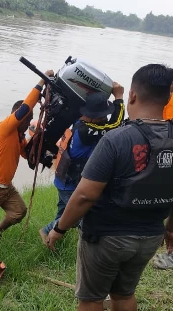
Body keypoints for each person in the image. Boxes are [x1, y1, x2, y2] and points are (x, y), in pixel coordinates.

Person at [45, 64, 173, 311]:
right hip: (149, 236)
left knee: (91, 297)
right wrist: (172, 229)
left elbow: (84, 196)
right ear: (168, 98)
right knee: (125, 293)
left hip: (105, 235)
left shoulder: (116, 139)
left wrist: (59, 229)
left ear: (132, 95)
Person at [39, 85, 125, 244]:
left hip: (64, 179)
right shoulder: (87, 131)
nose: (105, 119)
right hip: (70, 184)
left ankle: (50, 241)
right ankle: (46, 232)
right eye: (102, 116)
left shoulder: (79, 122)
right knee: (77, 216)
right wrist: (119, 98)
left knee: (63, 215)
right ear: (92, 117)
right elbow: (115, 126)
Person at [0, 70, 54, 238]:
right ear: (16, 117)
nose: (28, 124)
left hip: (6, 186)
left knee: (19, 211)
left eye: (30, 120)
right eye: (26, 120)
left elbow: (28, 155)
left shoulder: (19, 138)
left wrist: (44, 152)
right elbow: (26, 107)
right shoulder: (5, 128)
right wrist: (42, 81)